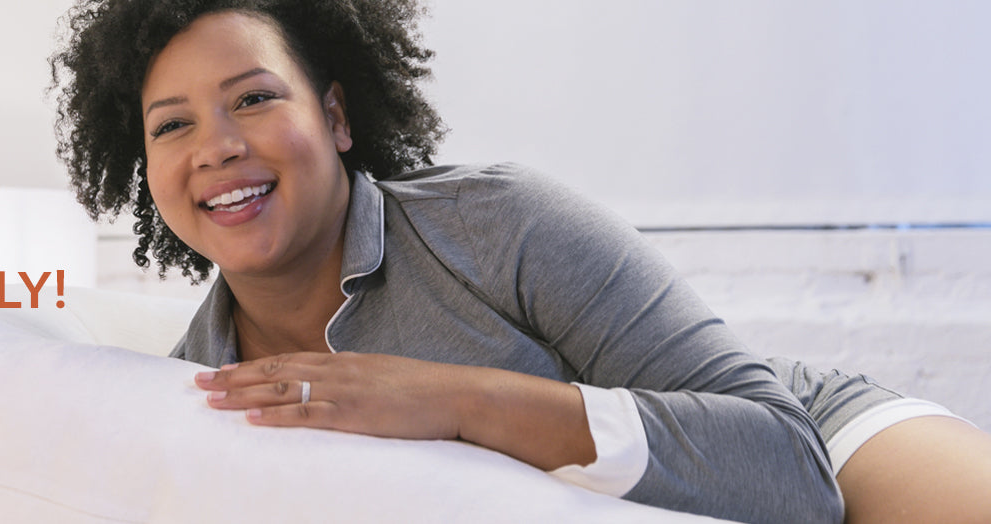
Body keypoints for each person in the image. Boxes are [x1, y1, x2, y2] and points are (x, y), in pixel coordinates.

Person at [49, 1, 991, 522]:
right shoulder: (196, 387)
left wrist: (455, 401)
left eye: (252, 99)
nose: (213, 145)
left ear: (335, 117)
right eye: (171, 125)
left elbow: (789, 471)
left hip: (815, 433)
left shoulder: (493, 221)